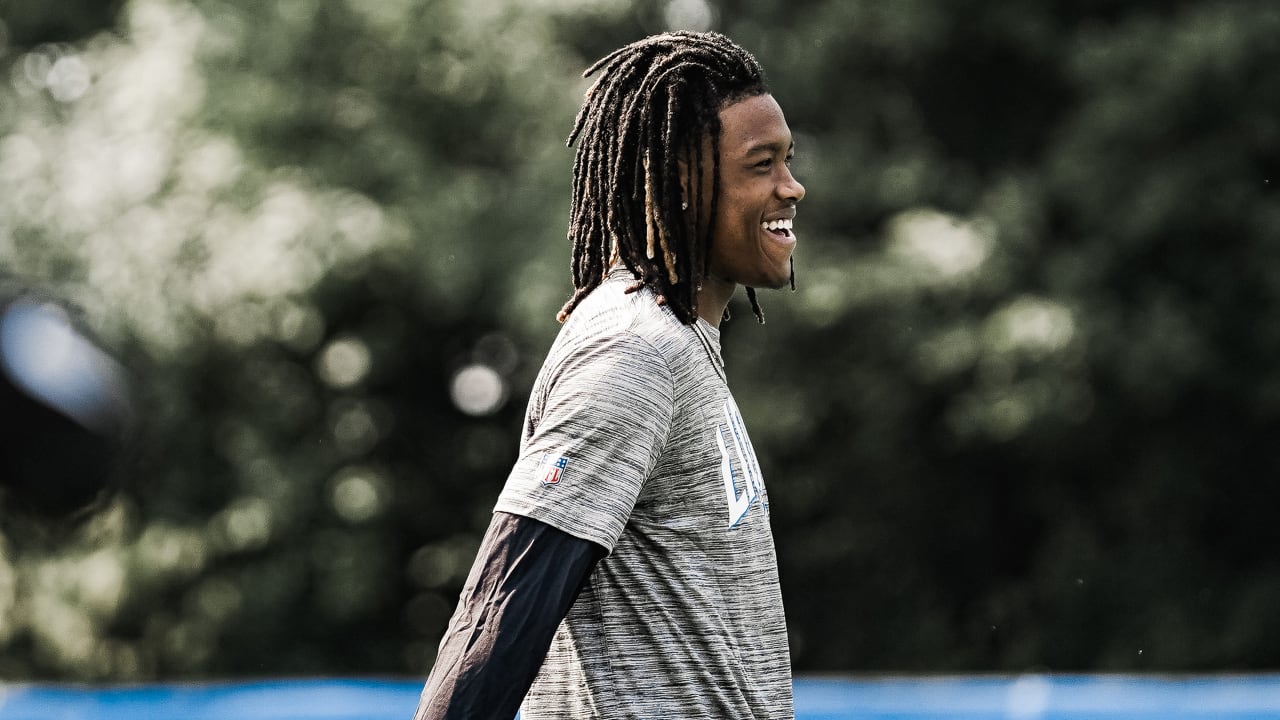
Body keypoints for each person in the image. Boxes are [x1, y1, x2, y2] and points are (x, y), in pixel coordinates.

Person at [413, 30, 806, 719]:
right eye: (761, 165)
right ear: (685, 181)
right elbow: (499, 613)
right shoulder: (634, 352)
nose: (791, 187)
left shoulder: (683, 347)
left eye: (788, 160)